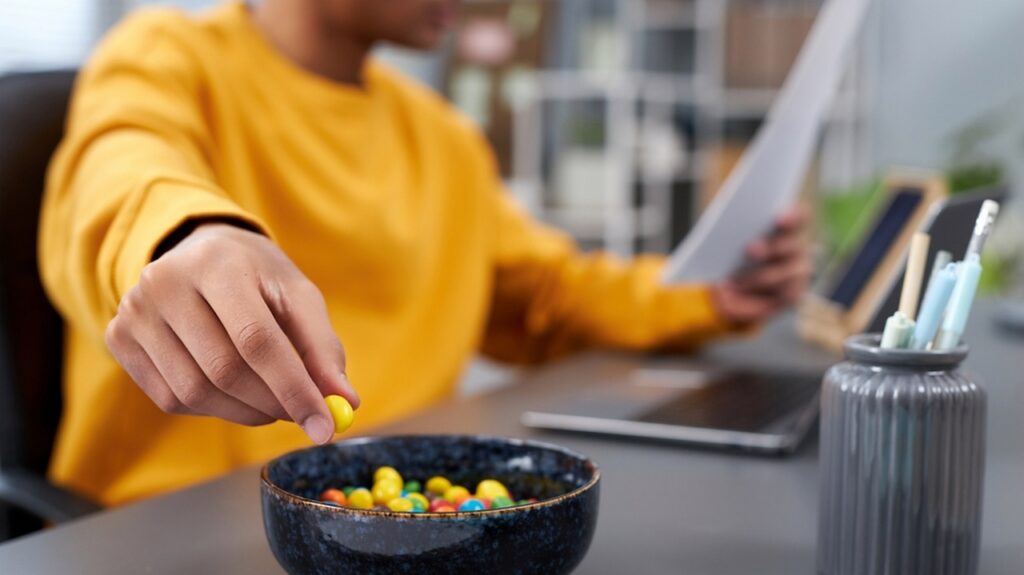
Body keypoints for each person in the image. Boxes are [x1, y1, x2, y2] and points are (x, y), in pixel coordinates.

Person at [39, 0, 810, 506]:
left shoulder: (442, 138)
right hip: (171, 529)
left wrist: (711, 295)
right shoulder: (165, 54)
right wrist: (190, 234)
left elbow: (547, 295)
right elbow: (118, 172)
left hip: (404, 519)